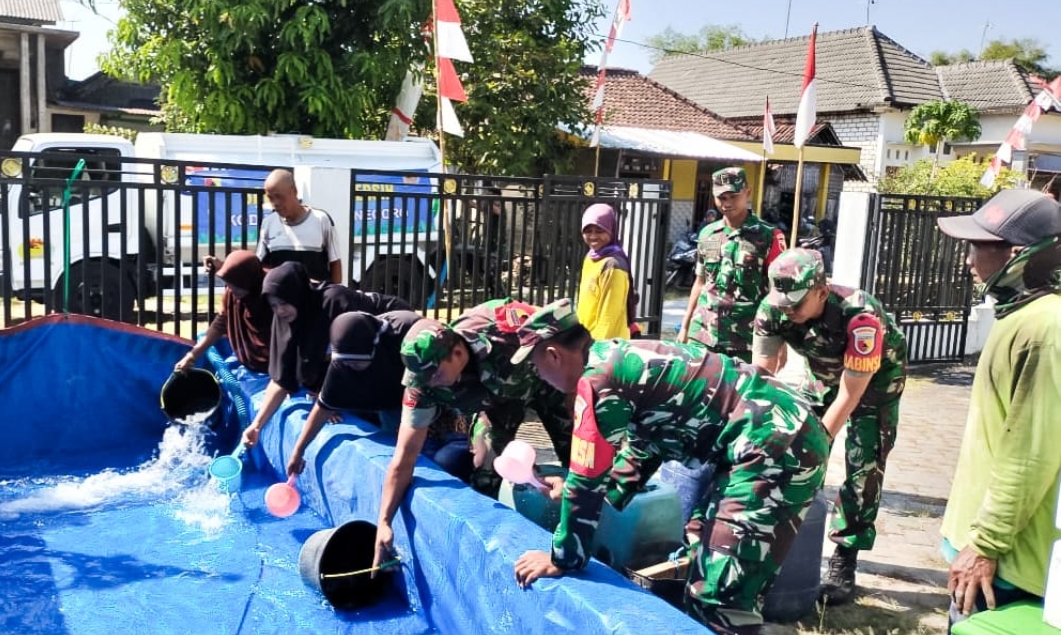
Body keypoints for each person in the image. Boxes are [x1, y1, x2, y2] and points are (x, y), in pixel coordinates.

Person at [510, 299, 829, 635]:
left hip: (774, 445)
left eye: (535, 366)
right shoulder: (616, 359)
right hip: (772, 438)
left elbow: (585, 481)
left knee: (717, 600)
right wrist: (597, 498)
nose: (538, 376)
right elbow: (642, 448)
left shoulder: (599, 383)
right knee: (699, 546)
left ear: (553, 355)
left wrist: (563, 558)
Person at [752, 247, 907, 604]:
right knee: (794, 450)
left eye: (796, 303)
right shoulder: (772, 309)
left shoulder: (861, 316)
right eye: (782, 303)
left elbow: (850, 396)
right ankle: (793, 534)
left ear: (821, 291)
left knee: (863, 462)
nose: (787, 311)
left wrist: (817, 443)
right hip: (822, 372)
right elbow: (761, 374)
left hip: (876, 379)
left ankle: (845, 558)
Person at [372, 298, 574, 573]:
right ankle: (499, 553)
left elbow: (567, 348)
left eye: (437, 374)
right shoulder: (423, 383)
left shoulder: (501, 326)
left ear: (457, 352)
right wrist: (384, 521)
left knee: (581, 464)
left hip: (554, 386)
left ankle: (581, 545)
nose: (431, 383)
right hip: (498, 406)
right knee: (483, 470)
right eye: (424, 378)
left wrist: (582, 411)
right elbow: (404, 458)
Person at [935, 188, 1061, 626]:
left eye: (978, 247)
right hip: (979, 542)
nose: (968, 260)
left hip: (1004, 562)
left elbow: (1031, 453)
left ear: (1020, 255)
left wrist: (986, 544)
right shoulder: (1021, 317)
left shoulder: (1045, 329)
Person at [284, 310, 473, 482]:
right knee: (394, 444)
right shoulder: (343, 363)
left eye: (358, 363)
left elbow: (443, 356)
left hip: (424, 388)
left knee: (426, 445)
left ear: (374, 348)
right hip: (387, 397)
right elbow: (322, 408)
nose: (353, 368)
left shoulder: (405, 331)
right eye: (348, 364)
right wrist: (298, 451)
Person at [241, 262, 412, 448]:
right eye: (274, 305)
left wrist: (331, 398)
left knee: (389, 408)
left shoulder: (334, 302)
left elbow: (355, 356)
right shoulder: (284, 320)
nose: (280, 310)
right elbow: (280, 380)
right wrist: (256, 425)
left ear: (297, 295)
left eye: (284, 303)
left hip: (392, 341)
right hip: (358, 357)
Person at [678, 167, 786, 361]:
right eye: (721, 198)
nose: (726, 203)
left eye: (733, 196)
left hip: (746, 339)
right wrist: (685, 326)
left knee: (741, 391)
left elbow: (778, 292)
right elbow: (701, 282)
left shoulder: (769, 236)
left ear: (747, 192)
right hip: (703, 334)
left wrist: (780, 340)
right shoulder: (707, 234)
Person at [174, 250, 272, 373]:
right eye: (229, 283)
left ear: (249, 281)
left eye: (236, 284)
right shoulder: (232, 294)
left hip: (279, 368)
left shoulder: (273, 295)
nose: (231, 288)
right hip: (251, 364)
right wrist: (192, 356)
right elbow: (220, 324)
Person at [256, 169, 343, 283]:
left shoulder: (321, 220)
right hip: (281, 299)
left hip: (315, 299)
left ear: (294, 191)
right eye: (271, 198)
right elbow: (261, 264)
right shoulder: (268, 223)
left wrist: (334, 296)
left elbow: (335, 262)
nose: (275, 203)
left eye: (279, 196)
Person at [577, 203, 639, 340]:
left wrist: (596, 350)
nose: (593, 236)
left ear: (611, 230)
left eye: (599, 231)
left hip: (605, 346)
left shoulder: (613, 265)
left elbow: (609, 317)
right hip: (585, 339)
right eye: (588, 231)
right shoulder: (591, 257)